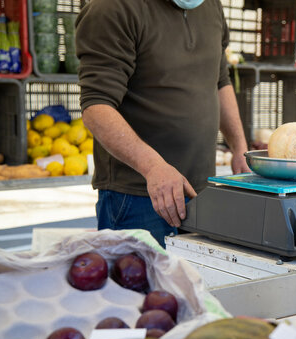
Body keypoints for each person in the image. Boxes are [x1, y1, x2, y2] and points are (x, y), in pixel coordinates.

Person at [75, 0, 250, 247]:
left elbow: (220, 81)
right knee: (139, 282)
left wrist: (239, 147)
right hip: (137, 195)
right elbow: (96, 108)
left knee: (192, 283)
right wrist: (154, 167)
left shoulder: (210, 5)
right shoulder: (113, 8)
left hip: (201, 188)